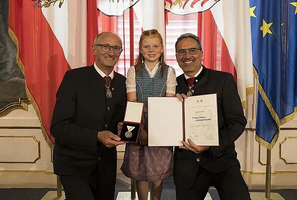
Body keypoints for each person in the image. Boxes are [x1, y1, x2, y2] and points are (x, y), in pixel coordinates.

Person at [174, 33, 251, 200]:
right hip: (187, 164)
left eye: (192, 50)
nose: (187, 56)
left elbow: (237, 122)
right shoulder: (171, 85)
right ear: (176, 56)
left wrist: (211, 145)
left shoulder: (223, 80)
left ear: (201, 53)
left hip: (221, 159)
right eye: (181, 51)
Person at [51, 32, 127, 200]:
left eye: (116, 48)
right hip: (73, 162)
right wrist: (96, 136)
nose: (111, 52)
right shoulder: (74, 78)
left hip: (105, 166)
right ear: (94, 49)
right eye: (105, 46)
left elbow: (119, 120)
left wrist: (122, 127)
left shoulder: (123, 83)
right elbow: (58, 127)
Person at [120, 29, 177, 200]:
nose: (151, 50)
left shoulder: (169, 71)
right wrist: (141, 130)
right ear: (140, 49)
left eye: (155, 46)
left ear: (161, 49)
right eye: (147, 46)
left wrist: (155, 130)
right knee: (140, 167)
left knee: (158, 167)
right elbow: (133, 102)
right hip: (137, 119)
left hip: (161, 120)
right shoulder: (133, 71)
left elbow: (168, 103)